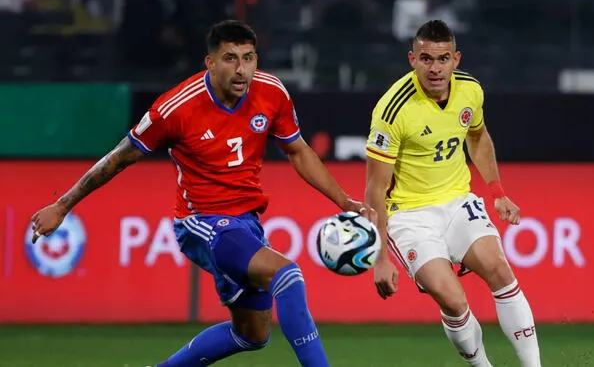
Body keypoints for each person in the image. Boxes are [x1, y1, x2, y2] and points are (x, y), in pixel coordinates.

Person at [30, 20, 374, 367]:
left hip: (246, 222)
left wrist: (344, 200)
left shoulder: (272, 92)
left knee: (251, 334)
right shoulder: (174, 109)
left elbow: (298, 151)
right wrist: (62, 206)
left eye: (249, 58)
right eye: (230, 58)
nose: (242, 70)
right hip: (201, 222)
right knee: (287, 275)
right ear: (209, 63)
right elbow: (118, 159)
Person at [364, 20, 541, 367]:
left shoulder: (470, 90)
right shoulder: (391, 110)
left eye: (443, 59)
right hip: (409, 216)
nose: (435, 68)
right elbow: (374, 187)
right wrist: (380, 257)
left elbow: (477, 135)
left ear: (456, 59)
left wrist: (497, 191)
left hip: (458, 202)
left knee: (501, 272)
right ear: (412, 59)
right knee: (454, 301)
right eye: (426, 59)